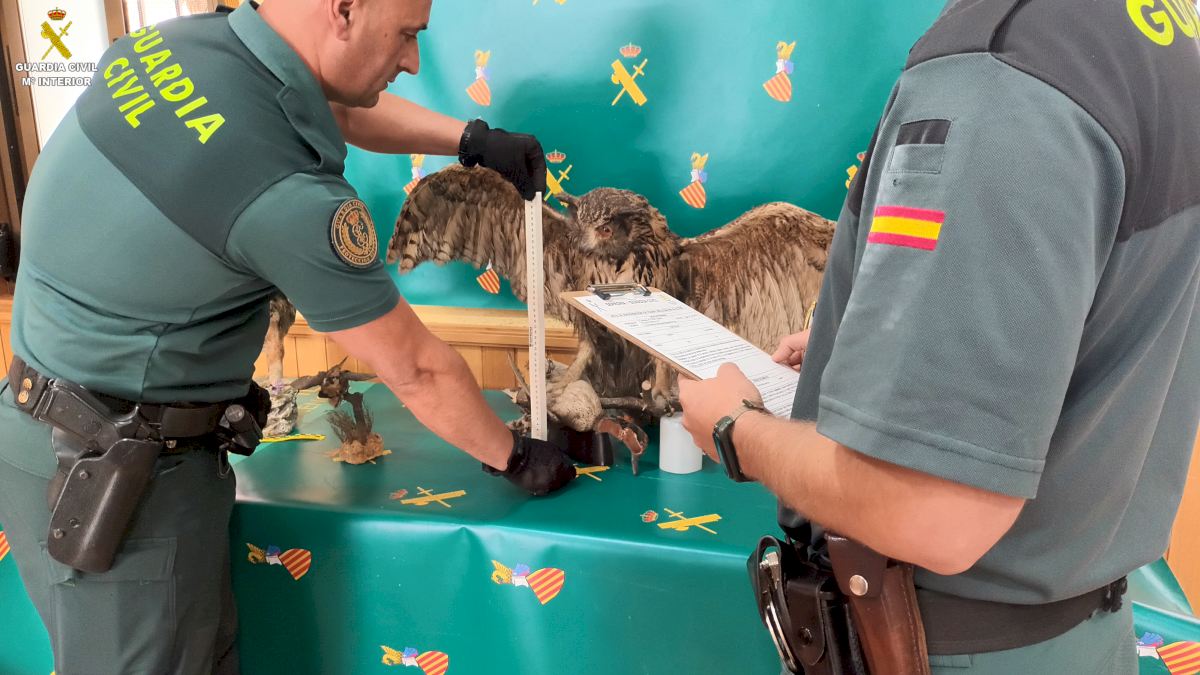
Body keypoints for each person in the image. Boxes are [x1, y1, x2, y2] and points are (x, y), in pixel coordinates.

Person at [0, 0, 575, 673]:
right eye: (406, 36)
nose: (414, 61)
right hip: (119, 483)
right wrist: (515, 456)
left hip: (41, 430)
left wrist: (471, 140)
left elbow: (332, 108)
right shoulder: (285, 191)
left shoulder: (178, 46)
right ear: (344, 11)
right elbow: (417, 368)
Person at [679, 0, 1200, 672]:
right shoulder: (1156, 34)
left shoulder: (1001, 67)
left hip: (953, 644)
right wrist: (894, 356)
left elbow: (933, 510)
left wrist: (735, 430)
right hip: (1082, 634)